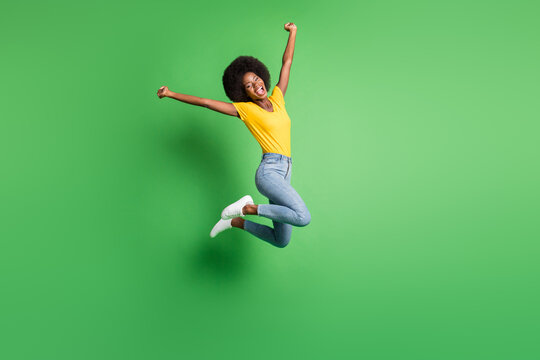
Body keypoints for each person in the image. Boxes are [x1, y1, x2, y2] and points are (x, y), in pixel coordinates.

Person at [156, 22, 310, 248]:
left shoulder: (277, 98)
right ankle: (248, 208)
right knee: (302, 217)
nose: (255, 84)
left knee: (281, 240)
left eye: (256, 79)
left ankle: (236, 222)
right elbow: (207, 103)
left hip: (285, 171)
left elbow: (287, 62)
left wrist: (293, 32)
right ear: (243, 92)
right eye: (248, 85)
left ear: (262, 78)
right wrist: (171, 93)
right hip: (269, 172)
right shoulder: (246, 110)